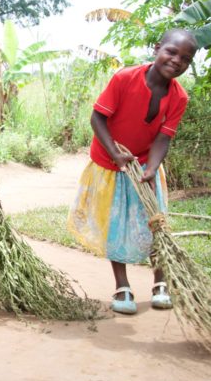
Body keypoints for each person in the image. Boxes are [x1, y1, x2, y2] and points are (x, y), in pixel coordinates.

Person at [68, 29, 197, 315]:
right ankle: (122, 286)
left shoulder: (179, 97)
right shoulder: (124, 79)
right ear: (157, 49)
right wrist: (116, 154)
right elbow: (97, 118)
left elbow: (163, 137)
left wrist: (151, 168)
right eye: (172, 52)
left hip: (145, 165)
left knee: (156, 223)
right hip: (111, 164)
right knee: (118, 226)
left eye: (185, 59)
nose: (177, 61)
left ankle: (160, 283)